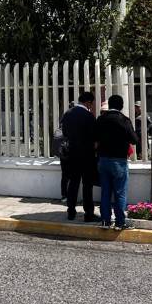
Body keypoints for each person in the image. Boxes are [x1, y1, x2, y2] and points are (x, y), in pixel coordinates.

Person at [96, 94, 139, 230]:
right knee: (120, 193)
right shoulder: (124, 120)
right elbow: (134, 140)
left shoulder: (101, 119)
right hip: (119, 161)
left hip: (103, 160)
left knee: (105, 192)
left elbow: (94, 136)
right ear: (121, 106)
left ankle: (105, 221)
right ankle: (120, 222)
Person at [61, 92, 97, 222]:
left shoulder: (68, 114)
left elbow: (64, 132)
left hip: (72, 154)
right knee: (87, 185)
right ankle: (88, 213)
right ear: (88, 102)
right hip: (87, 155)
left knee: (73, 183)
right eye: (91, 104)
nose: (91, 106)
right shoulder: (88, 116)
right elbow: (94, 137)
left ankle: (71, 211)